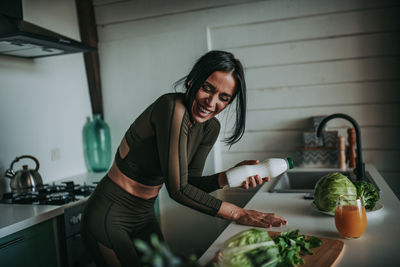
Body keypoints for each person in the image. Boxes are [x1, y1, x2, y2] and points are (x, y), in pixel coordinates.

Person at [81, 50, 287, 267]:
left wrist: (229, 177)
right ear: (192, 81)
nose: (211, 102)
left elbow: (189, 183)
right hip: (109, 214)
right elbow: (177, 190)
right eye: (207, 88)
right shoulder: (171, 108)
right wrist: (237, 213)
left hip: (144, 216)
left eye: (223, 98)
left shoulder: (210, 128)